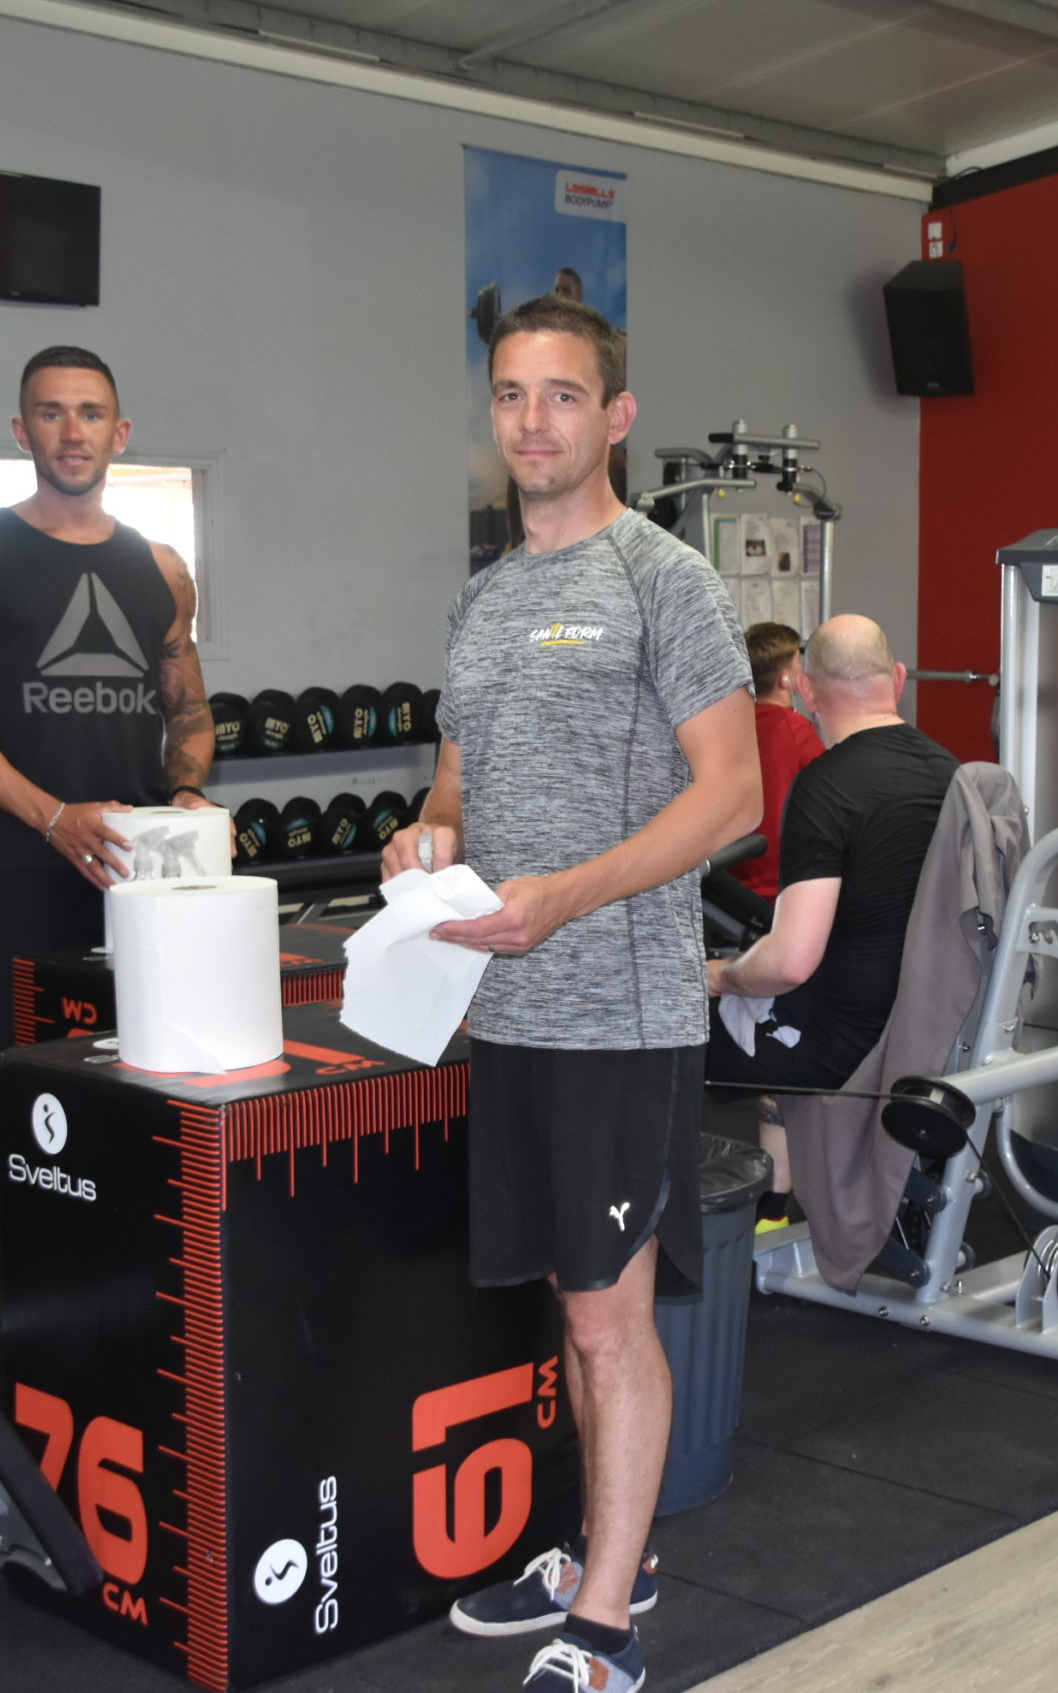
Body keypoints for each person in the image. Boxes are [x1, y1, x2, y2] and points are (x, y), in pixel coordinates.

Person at [382, 295, 757, 1693]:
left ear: (616, 415)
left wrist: (568, 896)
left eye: (561, 394)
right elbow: (456, 785)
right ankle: (614, 1548)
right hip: (508, 1008)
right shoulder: (482, 600)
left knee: (607, 1315)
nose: (532, 421)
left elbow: (734, 796)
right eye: (510, 394)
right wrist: (426, 840)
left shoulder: (665, 579)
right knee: (571, 1303)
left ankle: (603, 1625)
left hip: (622, 1008)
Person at [0, 346, 217, 1118]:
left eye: (90, 413)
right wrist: (52, 817)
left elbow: (187, 707)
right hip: (23, 858)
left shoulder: (162, 565)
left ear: (120, 432)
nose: (72, 431)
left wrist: (186, 792)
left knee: (138, 1057)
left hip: (136, 865)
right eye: (51, 413)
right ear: (22, 431)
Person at [704, 615, 960, 1229]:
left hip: (851, 1037)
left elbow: (790, 963)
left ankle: (710, 1217)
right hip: (940, 1018)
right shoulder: (953, 772)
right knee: (773, 1000)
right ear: (898, 679)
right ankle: (777, 1206)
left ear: (808, 691)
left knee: (681, 1020)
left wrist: (714, 977)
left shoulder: (825, 786)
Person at [731, 621, 825, 902]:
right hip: (776, 885)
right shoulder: (796, 731)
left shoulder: (730, 727)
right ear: (785, 679)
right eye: (798, 663)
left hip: (729, 876)